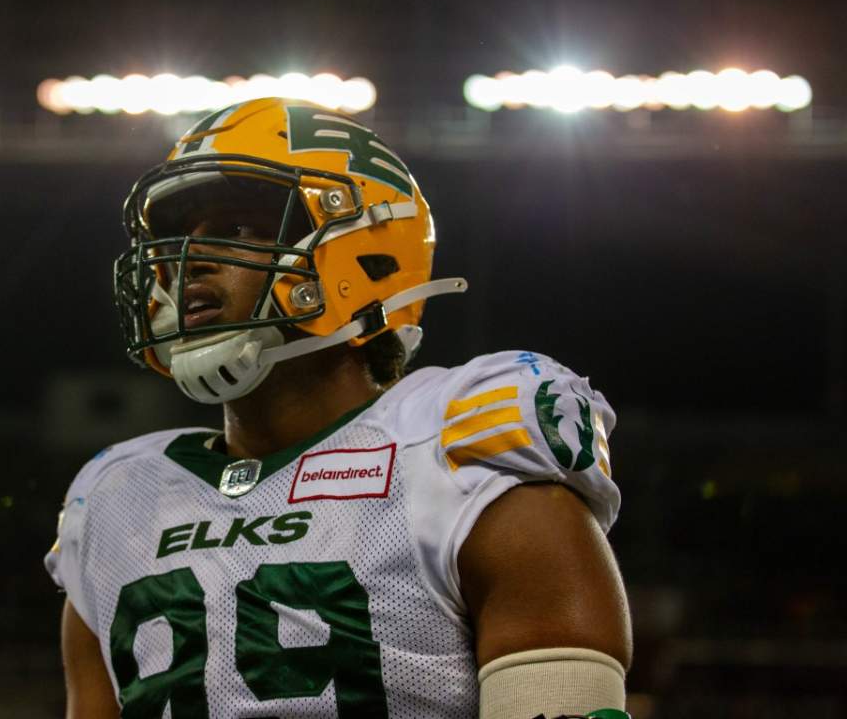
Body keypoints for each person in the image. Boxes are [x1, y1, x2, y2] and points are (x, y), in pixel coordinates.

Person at [46, 97, 632, 719]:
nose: (190, 262)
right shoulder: (115, 499)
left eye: (238, 229)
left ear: (366, 256)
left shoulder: (462, 452)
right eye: (178, 237)